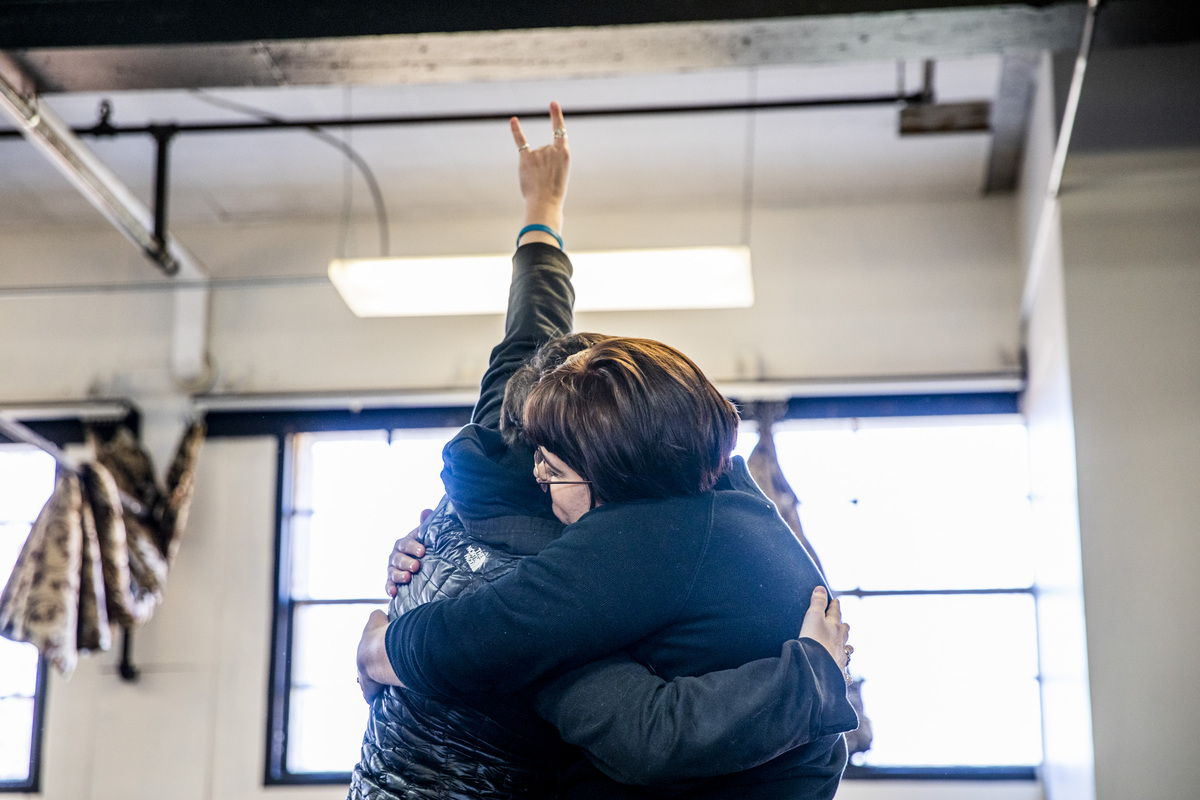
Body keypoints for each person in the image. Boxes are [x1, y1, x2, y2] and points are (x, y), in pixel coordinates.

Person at [353, 104, 857, 799]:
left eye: (556, 469)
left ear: (615, 476)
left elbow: (646, 733)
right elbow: (533, 331)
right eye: (538, 456)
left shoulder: (610, 555)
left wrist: (377, 649)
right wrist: (543, 207)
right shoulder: (704, 480)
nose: (539, 469)